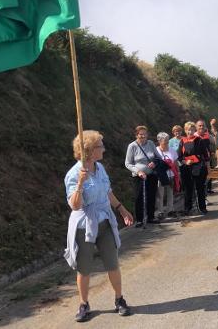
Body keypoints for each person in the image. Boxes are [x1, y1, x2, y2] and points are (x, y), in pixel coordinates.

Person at [64, 130, 134, 322]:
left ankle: (119, 299)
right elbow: (75, 205)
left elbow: (108, 192)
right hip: (83, 226)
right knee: (84, 268)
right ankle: (84, 304)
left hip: (104, 221)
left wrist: (122, 209)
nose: (103, 148)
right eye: (100, 145)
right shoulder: (73, 174)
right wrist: (79, 183)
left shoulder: (100, 168)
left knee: (113, 262)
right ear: (89, 150)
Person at [125, 125, 160, 226]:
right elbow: (128, 163)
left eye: (145, 134)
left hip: (151, 174)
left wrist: (154, 162)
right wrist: (138, 171)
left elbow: (158, 157)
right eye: (141, 134)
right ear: (136, 135)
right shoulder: (132, 146)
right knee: (139, 197)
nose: (143, 136)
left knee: (151, 196)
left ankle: (151, 217)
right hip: (138, 176)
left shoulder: (151, 143)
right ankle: (139, 220)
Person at [178, 122, 208, 215]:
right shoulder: (182, 141)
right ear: (185, 130)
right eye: (188, 129)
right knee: (188, 189)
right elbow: (179, 156)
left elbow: (206, 155)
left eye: (191, 129)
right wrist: (185, 162)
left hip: (199, 167)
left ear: (194, 130)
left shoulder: (199, 140)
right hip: (186, 168)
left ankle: (202, 208)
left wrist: (208, 169)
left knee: (200, 189)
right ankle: (188, 208)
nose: (190, 131)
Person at [155, 132, 180, 217]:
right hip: (161, 176)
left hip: (171, 175)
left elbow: (176, 163)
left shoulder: (172, 150)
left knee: (170, 193)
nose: (166, 143)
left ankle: (170, 210)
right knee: (160, 194)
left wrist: (178, 173)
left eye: (167, 141)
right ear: (159, 141)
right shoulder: (156, 150)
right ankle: (160, 211)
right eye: (164, 141)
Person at [195, 120, 214, 195]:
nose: (201, 127)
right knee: (200, 180)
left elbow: (213, 143)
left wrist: (212, 151)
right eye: (199, 125)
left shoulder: (208, 135)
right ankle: (201, 195)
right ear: (196, 127)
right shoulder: (194, 136)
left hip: (207, 159)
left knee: (208, 177)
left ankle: (204, 194)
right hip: (198, 161)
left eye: (203, 125)